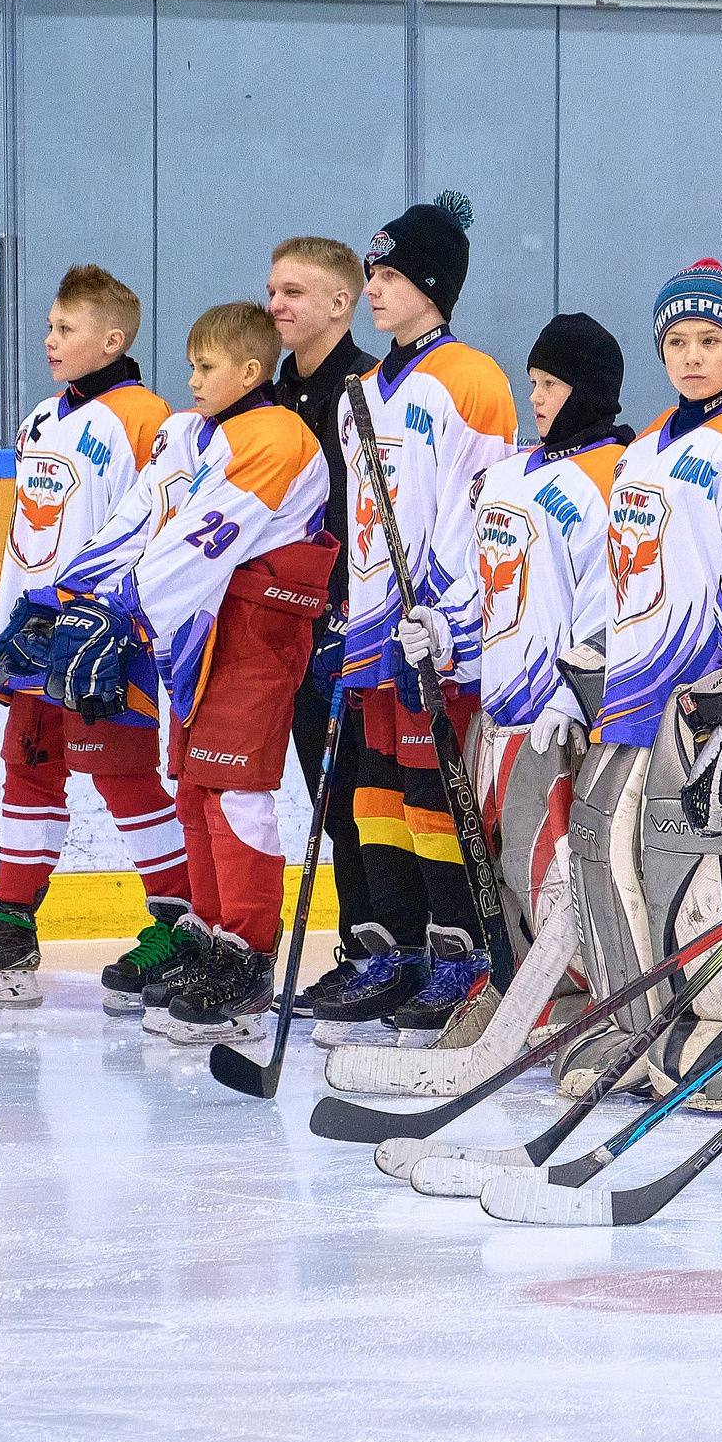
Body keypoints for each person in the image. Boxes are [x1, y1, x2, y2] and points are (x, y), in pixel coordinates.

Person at [570, 258, 722, 1114]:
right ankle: (645, 1026)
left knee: (707, 865)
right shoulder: (642, 448)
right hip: (636, 692)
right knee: (612, 860)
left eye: (711, 339)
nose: (693, 354)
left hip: (710, 698)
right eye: (677, 340)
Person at [0, 264, 188, 1011]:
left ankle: (182, 920)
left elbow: (159, 531)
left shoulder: (151, 420)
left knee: (123, 776)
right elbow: (25, 533)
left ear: (113, 337)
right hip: (34, 636)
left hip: (103, 639)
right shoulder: (40, 418)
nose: (49, 340)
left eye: (65, 328)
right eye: (48, 325)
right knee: (28, 767)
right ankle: (11, 926)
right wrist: (3, 626)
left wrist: (123, 616)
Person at [86, 302, 338, 1043]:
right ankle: (210, 933)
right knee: (196, 794)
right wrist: (75, 598)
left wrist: (125, 612)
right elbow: (143, 523)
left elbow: (195, 545)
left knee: (235, 796)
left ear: (252, 372)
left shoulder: (274, 435)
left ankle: (248, 958)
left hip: (257, 635)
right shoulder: (203, 435)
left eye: (206, 367)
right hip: (203, 635)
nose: (191, 379)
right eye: (191, 364)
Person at [309, 193, 520, 1048]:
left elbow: (482, 515)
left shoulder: (472, 379)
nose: (373, 290)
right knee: (374, 795)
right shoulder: (361, 388)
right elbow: (360, 514)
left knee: (437, 793)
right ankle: (393, 947)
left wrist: (447, 623)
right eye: (371, 273)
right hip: (373, 632)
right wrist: (346, 613)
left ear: (434, 284)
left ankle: (460, 954)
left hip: (436, 636)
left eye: (390, 275)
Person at [455, 312, 629, 1039]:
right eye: (532, 382)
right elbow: (482, 583)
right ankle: (523, 993)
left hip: (556, 716)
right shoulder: (511, 474)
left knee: (554, 867)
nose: (537, 396)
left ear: (588, 389)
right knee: (501, 867)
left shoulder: (617, 472)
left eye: (551, 383)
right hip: (497, 709)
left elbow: (612, 598)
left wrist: (574, 686)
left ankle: (578, 1004)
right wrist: (445, 633)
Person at [266, 236, 380, 1012]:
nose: (276, 304)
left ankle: (378, 947)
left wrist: (353, 606)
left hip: (355, 633)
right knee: (325, 794)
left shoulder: (369, 394)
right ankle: (359, 946)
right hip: (286, 633)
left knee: (362, 799)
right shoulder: (270, 399)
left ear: (341, 303)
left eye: (295, 292)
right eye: (273, 290)